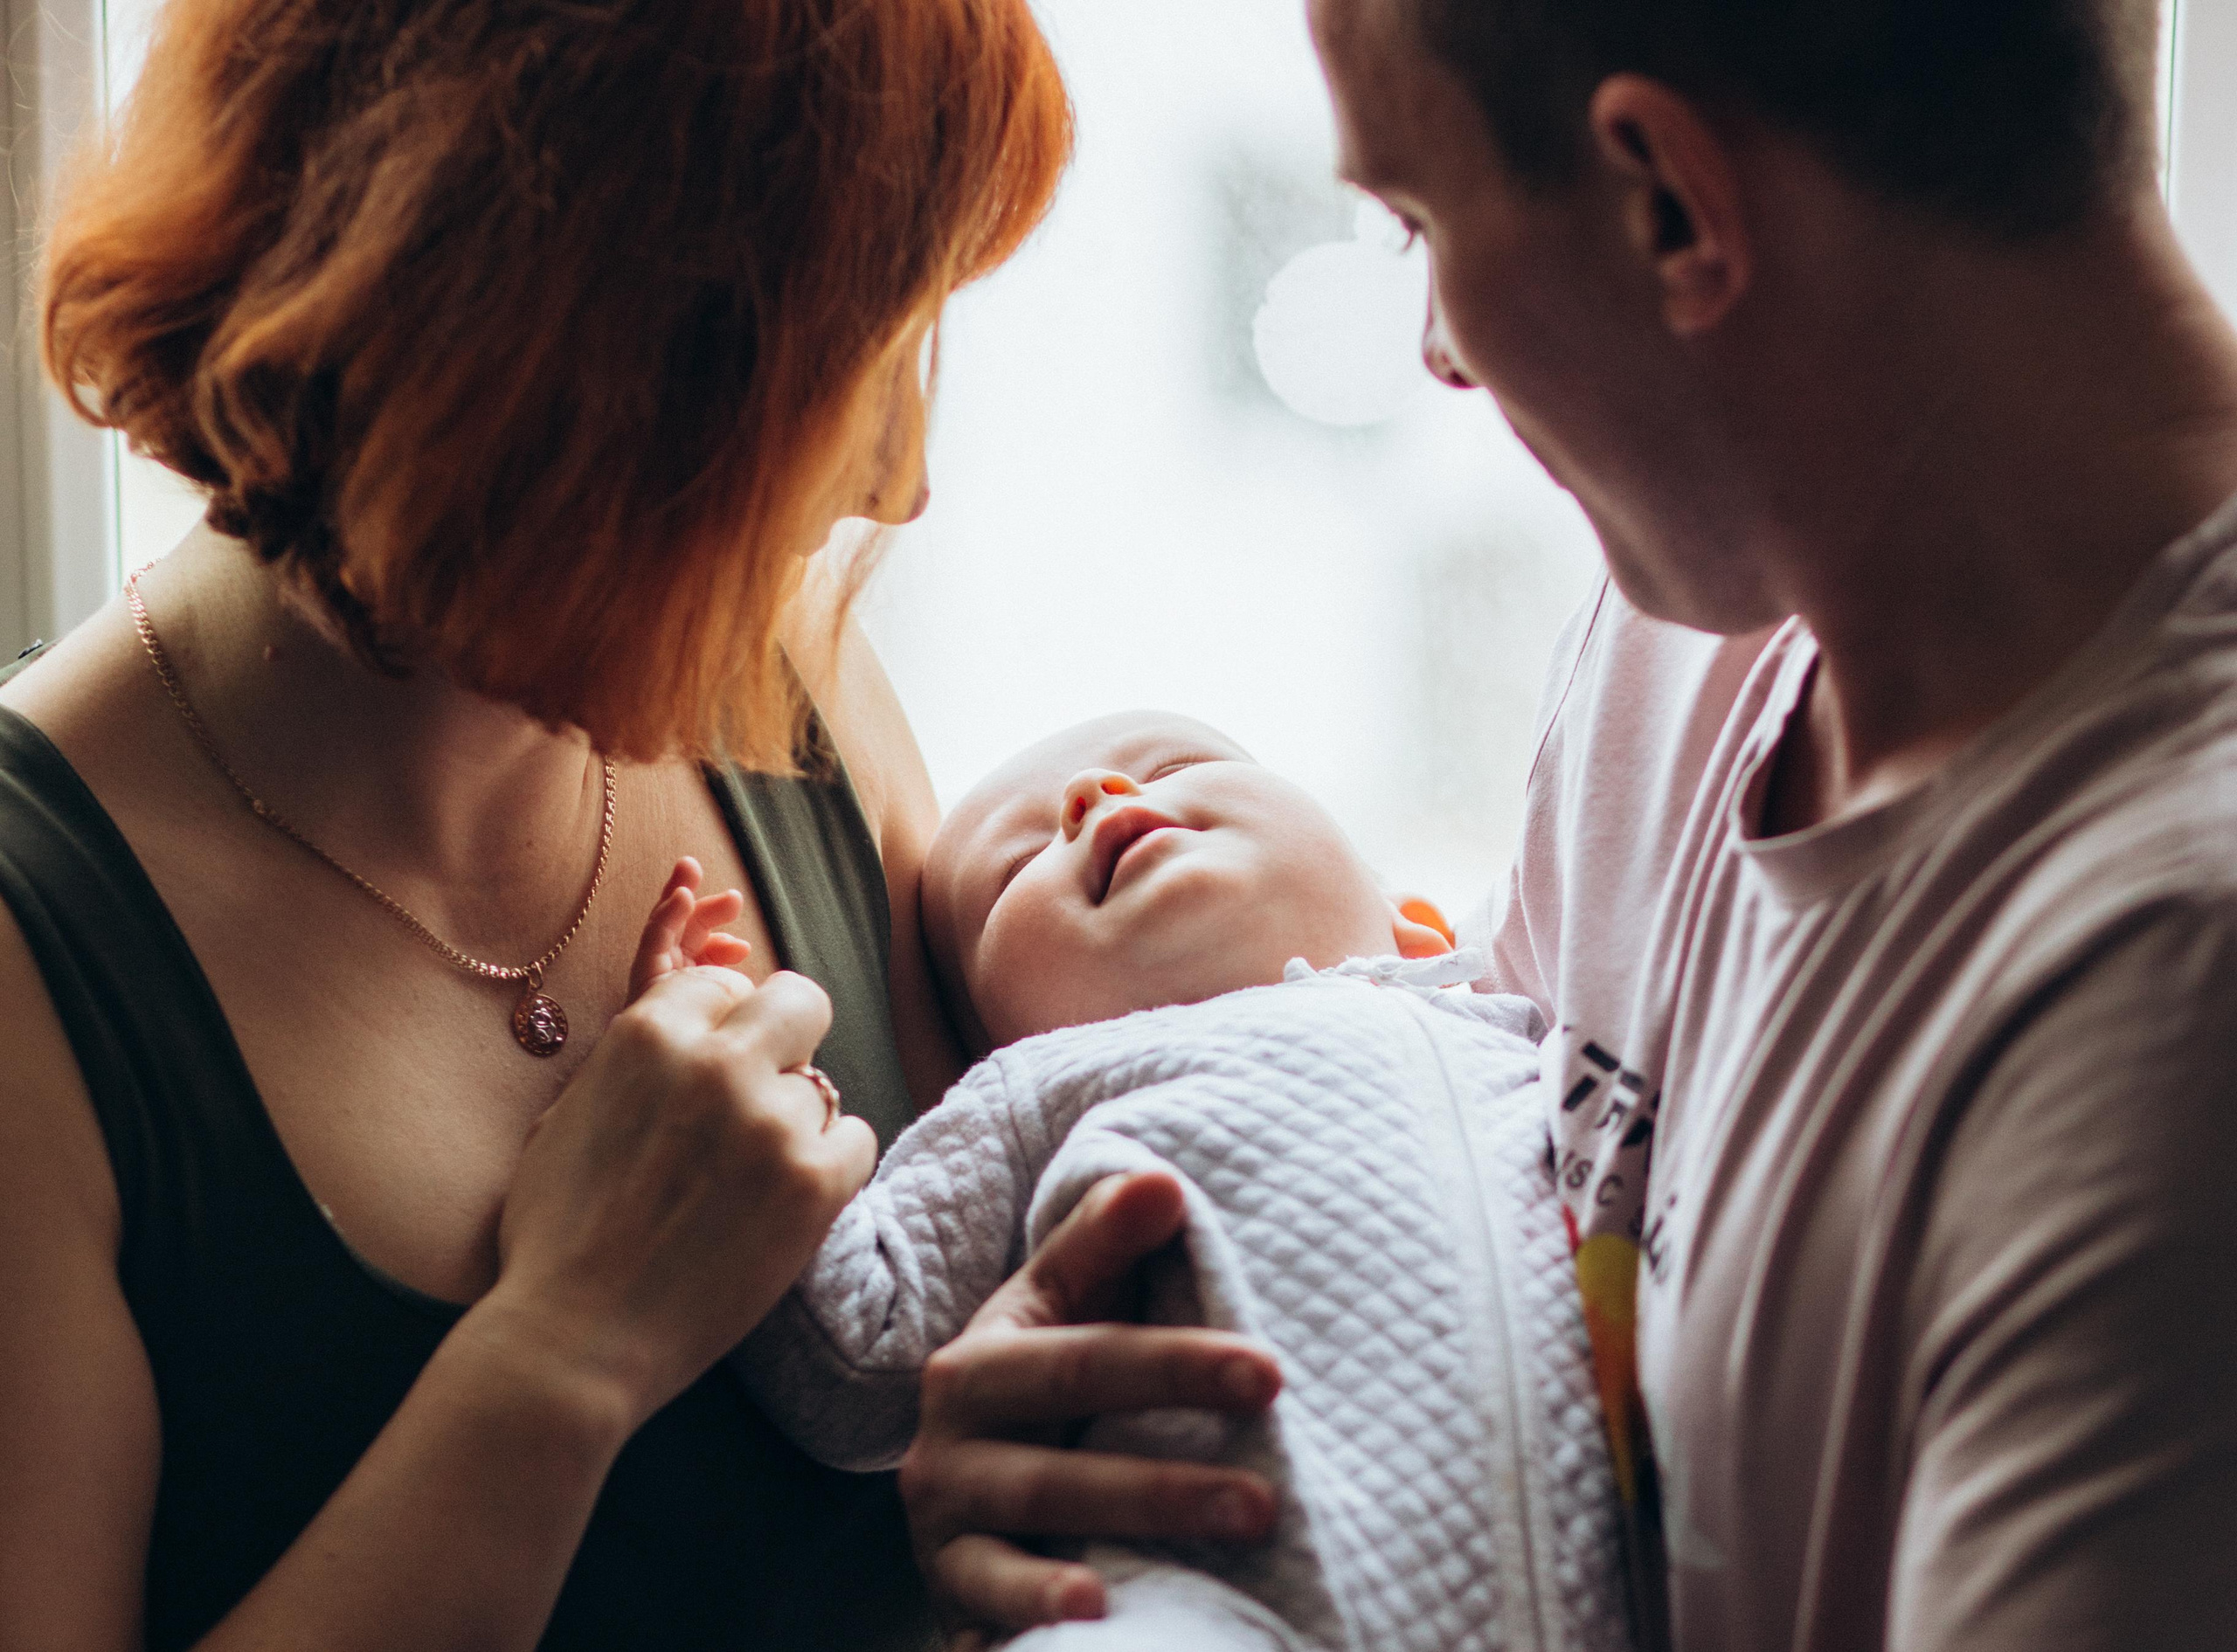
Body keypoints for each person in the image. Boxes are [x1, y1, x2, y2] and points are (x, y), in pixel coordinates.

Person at [897, 3, 2237, 1650]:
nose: (1441, 352)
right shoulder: (1696, 624)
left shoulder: (2166, 995)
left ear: (1670, 204)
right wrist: (1066, 1442)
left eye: (1420, 225)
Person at [0, 0, 1069, 1647]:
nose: (896, 481)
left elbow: (971, 1382)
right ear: (590, 366)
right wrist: (569, 1346)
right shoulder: (34, 947)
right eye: (845, 364)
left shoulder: (789, 692)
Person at [682, 710, 1625, 1651]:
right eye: (1010, 875)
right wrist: (755, 1097)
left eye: (1179, 765)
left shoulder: (1518, 1038)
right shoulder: (1039, 1098)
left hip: (1625, 1586)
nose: (1093, 796)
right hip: (1210, 1602)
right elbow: (860, 1357)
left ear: (1415, 930)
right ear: (997, 1044)